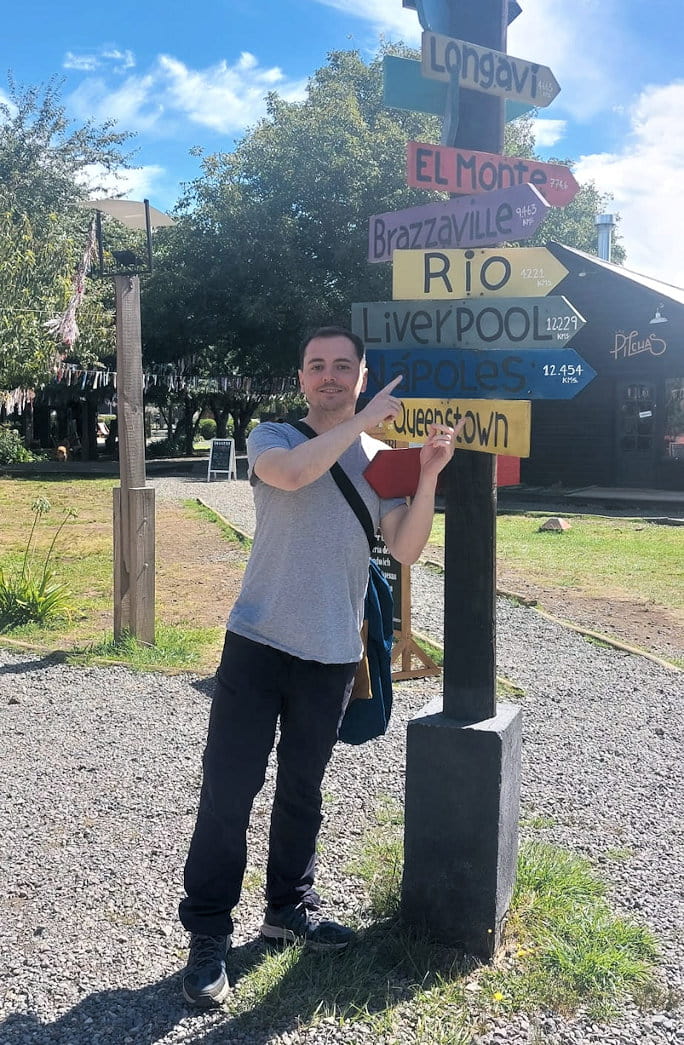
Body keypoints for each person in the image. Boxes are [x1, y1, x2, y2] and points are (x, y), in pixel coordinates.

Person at [178, 325, 461, 1007]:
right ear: (301, 377)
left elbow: (406, 545)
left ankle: (287, 910)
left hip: (334, 650)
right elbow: (296, 474)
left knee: (303, 789)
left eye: (343, 366)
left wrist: (424, 476)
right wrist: (363, 427)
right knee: (229, 791)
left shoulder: (384, 458)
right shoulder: (271, 436)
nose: (330, 375)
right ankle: (209, 936)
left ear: (362, 374)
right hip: (258, 640)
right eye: (317, 366)